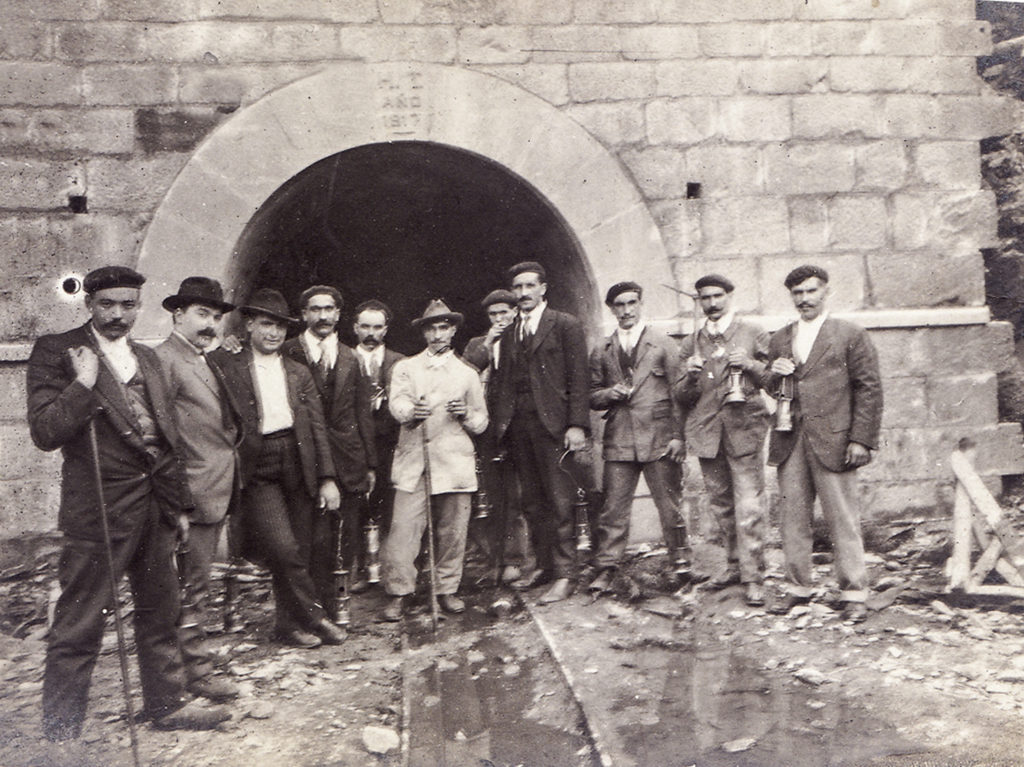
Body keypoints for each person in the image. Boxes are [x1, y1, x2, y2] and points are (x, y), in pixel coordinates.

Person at [28, 266, 230, 741]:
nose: (118, 315)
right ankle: (60, 734)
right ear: (89, 304)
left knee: (161, 611)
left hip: (154, 509)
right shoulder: (57, 352)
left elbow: (167, 438)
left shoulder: (149, 358)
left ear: (139, 306)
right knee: (79, 623)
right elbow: (44, 432)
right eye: (107, 304)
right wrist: (82, 384)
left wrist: (179, 506)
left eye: (127, 305)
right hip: (98, 507)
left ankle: (165, 704)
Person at [209, 288, 348, 647]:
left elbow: (317, 426)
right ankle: (316, 618)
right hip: (259, 465)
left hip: (298, 460)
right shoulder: (230, 364)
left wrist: (328, 477)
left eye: (281, 328)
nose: (273, 334)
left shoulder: (297, 371)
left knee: (300, 549)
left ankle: (288, 626)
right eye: (266, 325)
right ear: (250, 325)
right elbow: (205, 364)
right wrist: (224, 346)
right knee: (283, 549)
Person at [761, 265, 883, 623]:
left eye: (811, 291)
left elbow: (869, 389)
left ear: (826, 291)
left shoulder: (850, 334)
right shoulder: (781, 338)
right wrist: (774, 373)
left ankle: (854, 594)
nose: (804, 299)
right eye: (797, 293)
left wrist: (861, 439)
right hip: (790, 438)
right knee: (792, 520)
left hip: (835, 439)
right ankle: (799, 590)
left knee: (842, 520)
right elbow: (771, 386)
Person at [154, 277, 241, 701]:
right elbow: (162, 441)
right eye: (202, 314)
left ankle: (193, 660)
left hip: (215, 487)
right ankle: (196, 673)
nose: (211, 324)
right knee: (192, 588)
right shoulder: (163, 362)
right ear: (178, 315)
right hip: (192, 494)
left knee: (197, 585)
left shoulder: (202, 358)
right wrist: (179, 503)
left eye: (216, 316)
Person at [380, 300, 488, 620]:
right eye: (432, 328)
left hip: (454, 461)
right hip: (415, 460)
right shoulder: (406, 368)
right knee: (403, 529)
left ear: (453, 331)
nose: (438, 334)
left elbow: (482, 420)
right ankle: (399, 591)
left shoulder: (467, 374)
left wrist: (466, 414)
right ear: (424, 332)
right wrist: (411, 413)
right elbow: (396, 403)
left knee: (453, 530)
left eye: (444, 327)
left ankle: (447, 589)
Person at [489, 261, 590, 604]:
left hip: (554, 428)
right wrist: (502, 429)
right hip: (519, 427)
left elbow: (579, 378)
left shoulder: (564, 325)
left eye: (529, 286)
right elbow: (501, 384)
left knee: (561, 502)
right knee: (532, 502)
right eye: (517, 288)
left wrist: (577, 425)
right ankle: (545, 566)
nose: (523, 293)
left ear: (543, 288)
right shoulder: (509, 332)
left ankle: (565, 575)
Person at [673, 274, 771, 607]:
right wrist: (690, 375)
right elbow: (681, 396)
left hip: (744, 429)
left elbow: (775, 379)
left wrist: (752, 364)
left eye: (718, 296)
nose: (712, 303)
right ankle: (733, 566)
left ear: (730, 296)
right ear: (699, 301)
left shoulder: (752, 333)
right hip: (707, 432)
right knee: (722, 506)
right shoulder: (691, 343)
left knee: (748, 506)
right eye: (705, 298)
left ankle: (755, 576)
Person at [282, 285, 375, 621]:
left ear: (339, 314)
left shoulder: (352, 357)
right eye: (315, 309)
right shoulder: (287, 351)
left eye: (329, 309)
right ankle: (309, 609)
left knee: (345, 536)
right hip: (303, 459)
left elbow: (362, 413)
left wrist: (370, 464)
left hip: (348, 459)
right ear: (304, 314)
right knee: (309, 538)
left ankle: (338, 603)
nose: (322, 316)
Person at [588, 281, 687, 593]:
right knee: (613, 508)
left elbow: (679, 394)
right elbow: (591, 396)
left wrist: (677, 436)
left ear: (640, 304)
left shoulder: (663, 344)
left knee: (669, 505)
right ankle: (606, 568)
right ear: (612, 309)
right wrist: (609, 393)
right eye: (619, 305)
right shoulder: (602, 349)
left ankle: (681, 563)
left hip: (658, 438)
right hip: (619, 439)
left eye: (632, 303)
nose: (626, 310)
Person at [462, 288, 532, 584]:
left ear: (515, 312)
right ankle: (494, 559)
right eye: (493, 314)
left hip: (516, 427)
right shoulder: (478, 343)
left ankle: (515, 558)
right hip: (485, 428)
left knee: (515, 496)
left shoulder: (524, 340)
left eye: (505, 312)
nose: (500, 318)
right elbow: (464, 373)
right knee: (490, 497)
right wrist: (488, 343)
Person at [350, 299, 405, 592]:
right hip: (355, 448)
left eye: (377, 327)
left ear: (386, 330)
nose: (371, 333)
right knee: (359, 507)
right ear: (355, 328)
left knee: (393, 509)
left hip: (392, 446)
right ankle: (363, 569)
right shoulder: (344, 359)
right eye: (365, 327)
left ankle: (390, 570)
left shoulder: (400, 362)